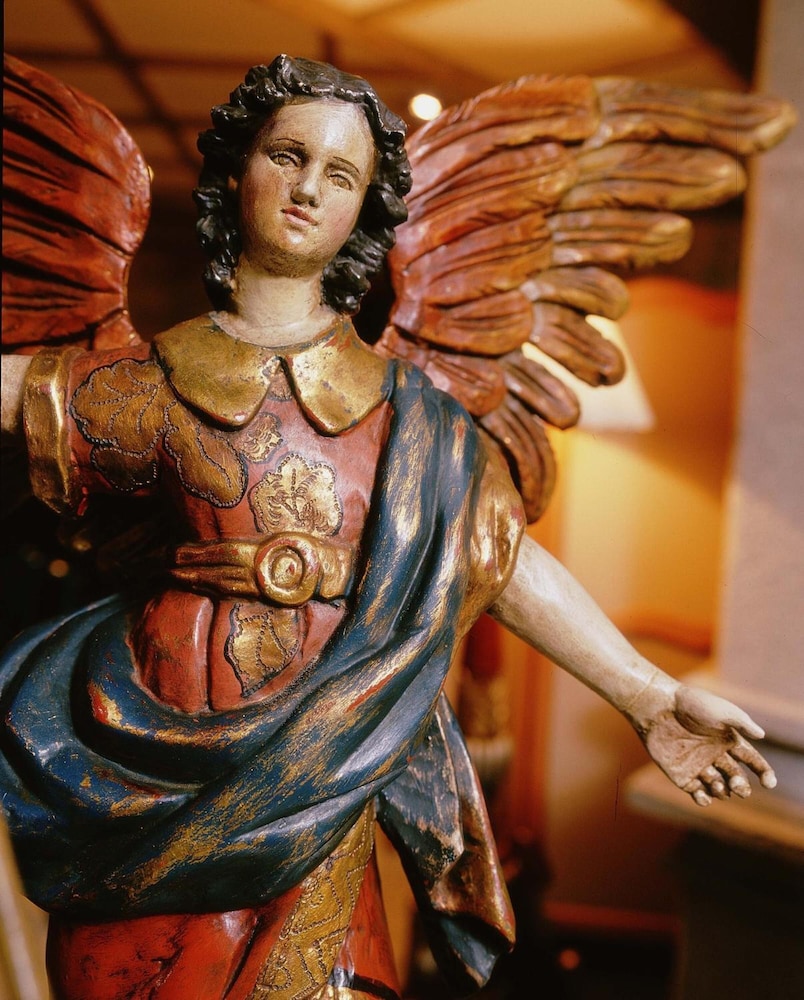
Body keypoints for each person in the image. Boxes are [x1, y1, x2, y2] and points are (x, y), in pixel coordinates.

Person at [0, 55, 776, 1000]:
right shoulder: (152, 384)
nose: (308, 189)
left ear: (364, 208)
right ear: (237, 170)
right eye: (288, 156)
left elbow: (499, 559)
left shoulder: (409, 416)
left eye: (340, 174)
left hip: (329, 739)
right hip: (159, 733)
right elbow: (18, 394)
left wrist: (646, 694)